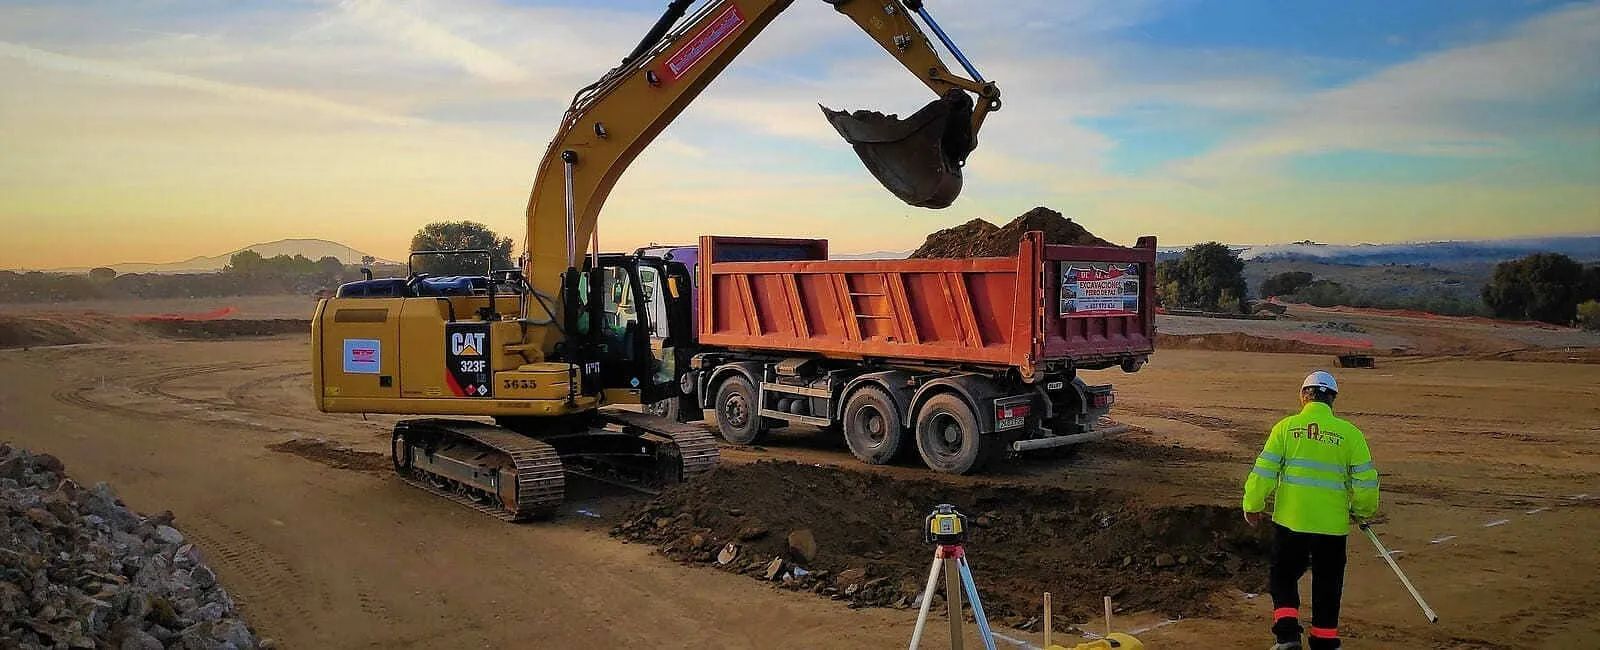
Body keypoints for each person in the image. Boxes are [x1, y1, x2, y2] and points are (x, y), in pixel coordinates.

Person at [1243, 371, 1379, 650]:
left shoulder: (1285, 428)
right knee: (1328, 583)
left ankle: (1287, 636)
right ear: (1333, 399)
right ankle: (1325, 641)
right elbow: (1365, 482)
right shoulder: (1350, 434)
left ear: (1304, 396)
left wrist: (1252, 505)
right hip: (1332, 526)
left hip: (1291, 523)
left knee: (1282, 575)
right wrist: (1362, 511)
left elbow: (1264, 471)